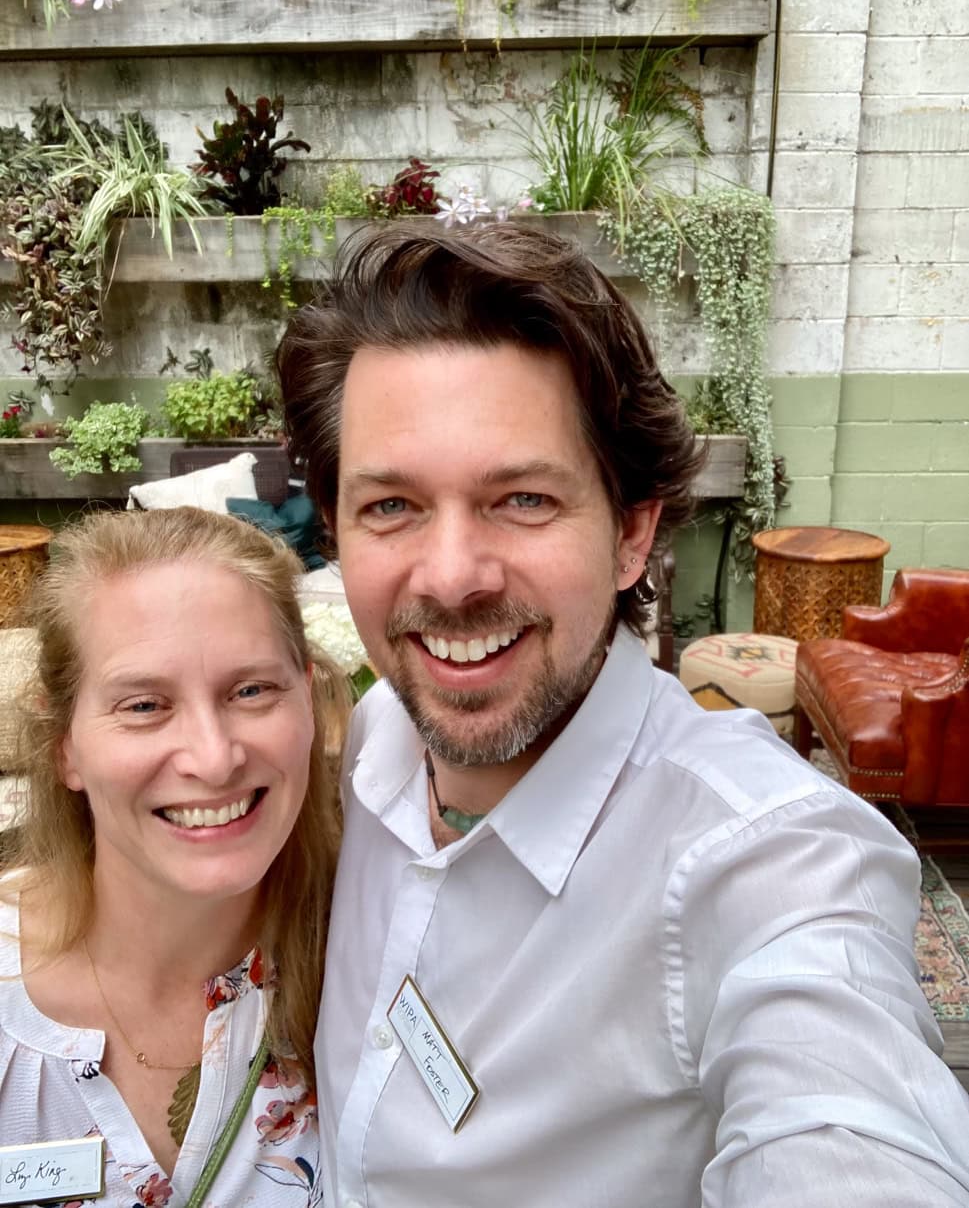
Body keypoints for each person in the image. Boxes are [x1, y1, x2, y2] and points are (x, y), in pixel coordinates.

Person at [277, 222, 969, 1208]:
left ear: (633, 531)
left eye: (521, 499)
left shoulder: (767, 860)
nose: (452, 577)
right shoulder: (365, 743)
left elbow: (848, 1122)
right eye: (391, 506)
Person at [0, 506, 346, 1207]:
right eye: (144, 705)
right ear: (64, 741)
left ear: (307, 701)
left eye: (250, 691)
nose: (213, 759)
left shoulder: (379, 958)